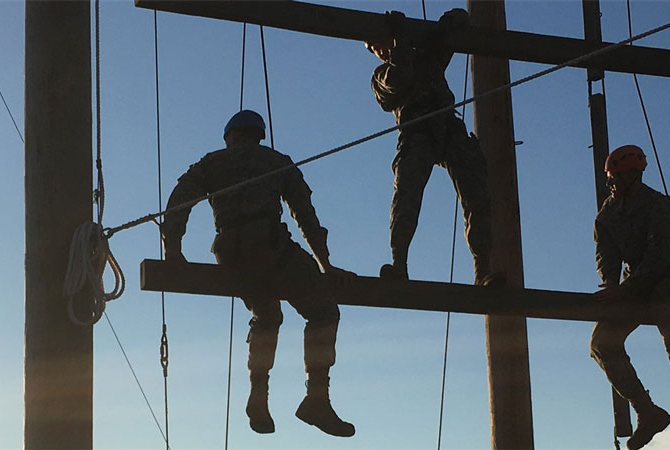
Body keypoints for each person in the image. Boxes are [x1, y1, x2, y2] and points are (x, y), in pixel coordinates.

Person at [160, 110, 356, 437]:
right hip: (270, 247)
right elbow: (306, 215)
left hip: (232, 255)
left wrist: (173, 250)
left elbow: (179, 200)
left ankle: (258, 395)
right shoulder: (276, 161)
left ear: (232, 136)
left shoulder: (212, 163)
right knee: (323, 312)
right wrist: (325, 265)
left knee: (267, 316)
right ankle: (316, 398)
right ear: (257, 134)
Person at [591, 144, 670, 450]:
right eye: (612, 179)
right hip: (632, 286)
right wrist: (609, 282)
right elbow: (606, 254)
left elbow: (659, 256)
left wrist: (625, 288)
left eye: (617, 177)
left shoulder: (658, 205)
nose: (613, 184)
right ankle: (647, 412)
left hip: (665, 281)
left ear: (633, 176)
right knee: (602, 344)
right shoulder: (608, 215)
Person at [366, 9, 498, 285]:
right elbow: (400, 76)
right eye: (373, 48)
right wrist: (402, 38)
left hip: (449, 129)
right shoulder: (381, 76)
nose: (378, 51)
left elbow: (459, 19)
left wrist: (437, 30)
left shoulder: (427, 57)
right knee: (407, 195)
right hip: (417, 133)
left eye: (379, 44)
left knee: (476, 196)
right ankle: (399, 264)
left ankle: (482, 269)